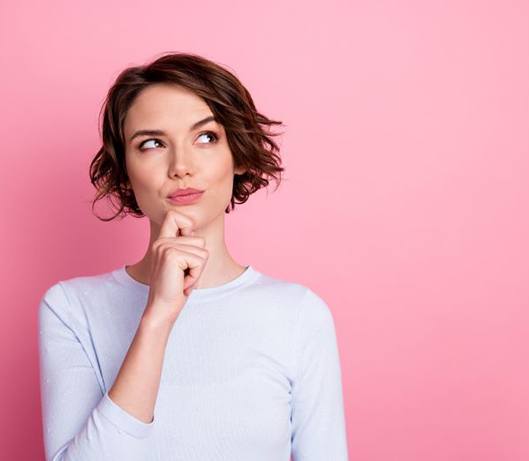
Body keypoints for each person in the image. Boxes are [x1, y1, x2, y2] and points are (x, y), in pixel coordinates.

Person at [37, 52, 348, 461]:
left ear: (237, 154)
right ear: (126, 170)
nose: (181, 166)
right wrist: (158, 317)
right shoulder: (71, 309)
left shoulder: (298, 314)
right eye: (151, 144)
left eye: (205, 137)